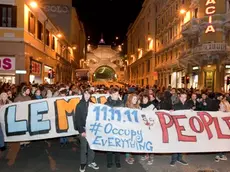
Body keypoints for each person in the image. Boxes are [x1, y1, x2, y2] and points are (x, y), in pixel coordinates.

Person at [75, 88, 99, 172]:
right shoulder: (79, 105)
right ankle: (83, 163)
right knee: (83, 148)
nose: (87, 95)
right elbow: (77, 119)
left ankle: (91, 161)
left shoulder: (93, 104)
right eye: (85, 94)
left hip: (92, 129)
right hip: (84, 129)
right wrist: (81, 131)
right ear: (83, 94)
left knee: (92, 147)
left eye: (89, 94)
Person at [105, 87, 124, 169]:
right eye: (115, 94)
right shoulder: (106, 104)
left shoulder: (121, 103)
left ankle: (117, 161)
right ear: (111, 94)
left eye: (118, 94)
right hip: (109, 128)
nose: (117, 95)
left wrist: (120, 101)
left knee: (117, 145)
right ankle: (109, 162)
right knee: (109, 145)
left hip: (118, 127)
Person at [170, 92, 190, 166]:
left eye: (185, 97)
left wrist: (191, 112)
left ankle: (180, 158)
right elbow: (171, 116)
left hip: (185, 127)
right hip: (177, 127)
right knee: (176, 143)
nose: (183, 99)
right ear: (179, 97)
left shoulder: (188, 105)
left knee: (182, 143)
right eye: (182, 97)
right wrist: (171, 112)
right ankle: (173, 159)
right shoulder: (175, 105)